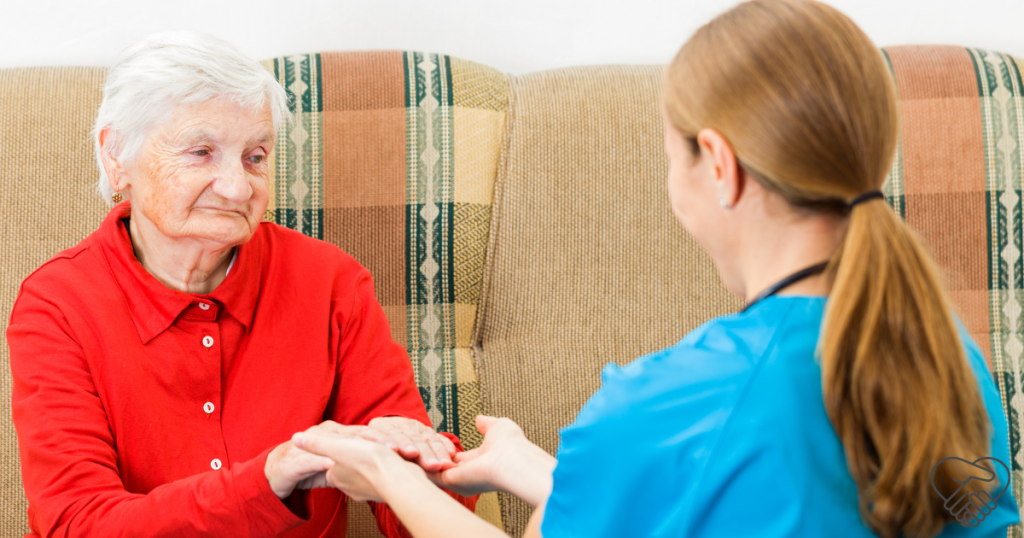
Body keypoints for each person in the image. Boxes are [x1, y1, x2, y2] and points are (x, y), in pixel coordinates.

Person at [285, 1, 1021, 537]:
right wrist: (527, 467)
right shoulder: (945, 353)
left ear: (721, 169)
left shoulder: (666, 400)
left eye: (671, 158)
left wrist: (387, 479)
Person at [6, 32, 475, 537]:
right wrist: (269, 478)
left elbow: (416, 517)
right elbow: (76, 525)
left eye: (255, 156)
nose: (236, 186)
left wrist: (422, 467)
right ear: (117, 156)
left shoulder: (330, 282)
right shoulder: (57, 305)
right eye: (202, 151)